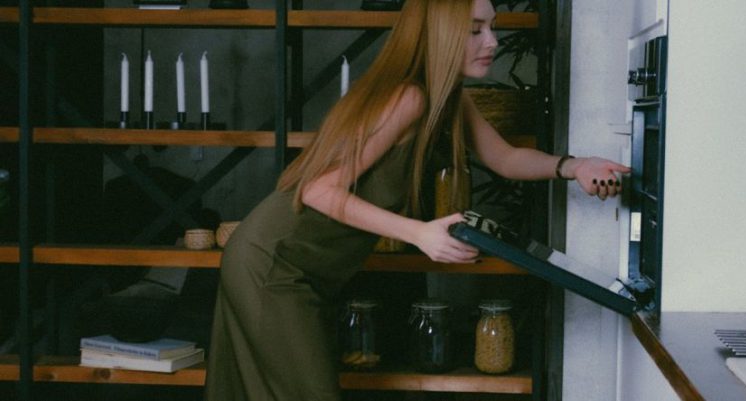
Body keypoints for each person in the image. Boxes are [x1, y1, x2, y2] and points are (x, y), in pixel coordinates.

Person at [204, 0, 629, 400]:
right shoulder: (411, 97)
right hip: (273, 263)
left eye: (493, 28)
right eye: (475, 30)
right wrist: (420, 233)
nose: (493, 42)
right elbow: (318, 190)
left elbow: (506, 157)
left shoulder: (450, 98)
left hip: (301, 269)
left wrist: (576, 166)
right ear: (441, 34)